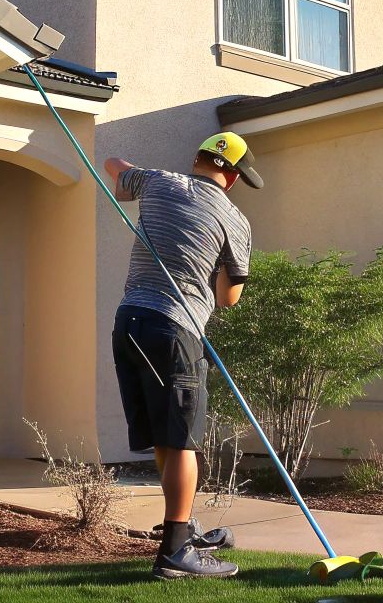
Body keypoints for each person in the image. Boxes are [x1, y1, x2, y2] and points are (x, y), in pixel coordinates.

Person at [104, 131, 262, 580]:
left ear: (196, 160)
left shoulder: (158, 182)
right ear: (231, 177)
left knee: (164, 435)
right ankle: (175, 553)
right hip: (175, 329)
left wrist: (132, 182)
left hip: (129, 321)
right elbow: (228, 297)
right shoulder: (235, 220)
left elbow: (115, 163)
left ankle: (184, 526)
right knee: (183, 440)